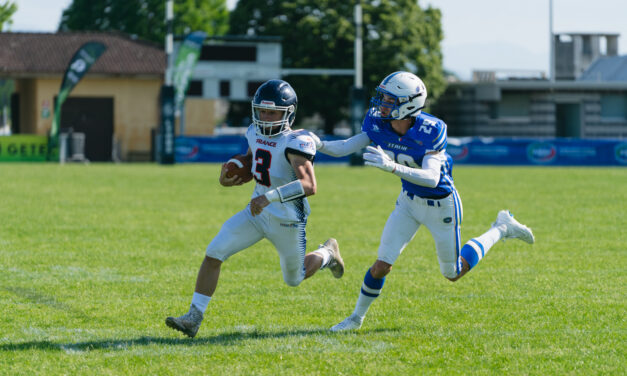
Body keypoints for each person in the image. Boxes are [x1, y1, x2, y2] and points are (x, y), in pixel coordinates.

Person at [311, 71, 535, 331]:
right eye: (382, 98)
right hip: (408, 202)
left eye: (389, 99)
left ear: (408, 104)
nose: (381, 104)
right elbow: (347, 145)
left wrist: (391, 167)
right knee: (381, 265)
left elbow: (430, 177)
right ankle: (356, 319)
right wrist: (318, 144)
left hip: (442, 205)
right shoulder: (378, 123)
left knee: (452, 273)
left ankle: (501, 228)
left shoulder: (431, 129)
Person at [166, 79, 345, 338]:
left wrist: (269, 197)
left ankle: (327, 253)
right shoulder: (254, 131)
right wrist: (229, 173)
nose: (265, 116)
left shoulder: (296, 141)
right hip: (256, 213)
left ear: (288, 113)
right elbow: (252, 160)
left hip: (287, 219)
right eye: (262, 110)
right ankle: (193, 318)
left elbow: (308, 185)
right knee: (214, 252)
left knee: (295, 278)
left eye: (272, 112)